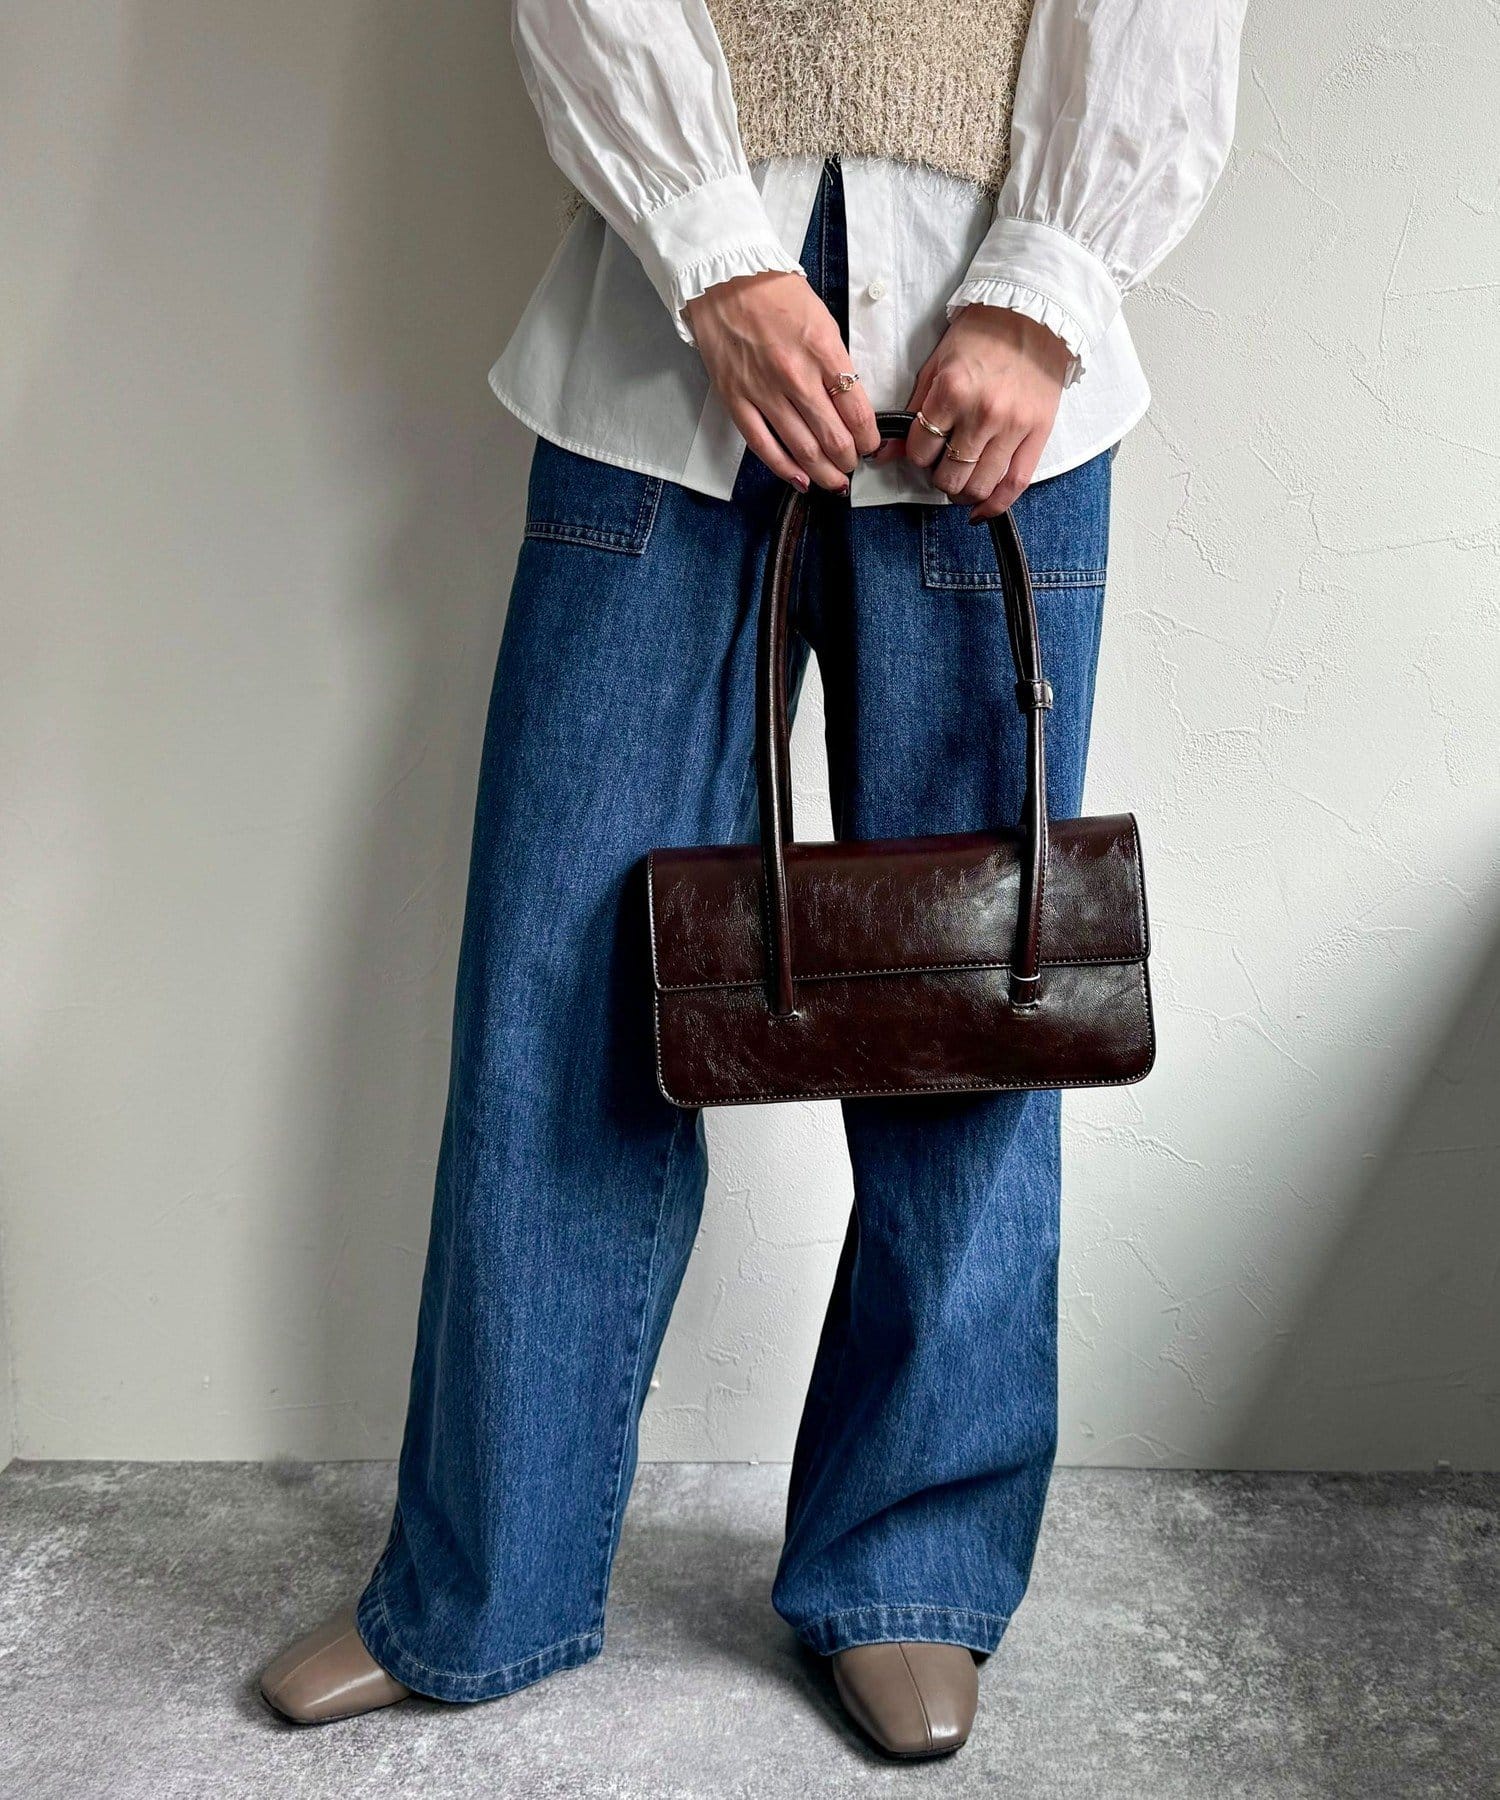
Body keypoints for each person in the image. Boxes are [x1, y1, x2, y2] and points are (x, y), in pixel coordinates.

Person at [261, 0, 1243, 1759]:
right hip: (662, 337)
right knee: (567, 986)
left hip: (998, 368)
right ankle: (484, 1580)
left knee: (974, 997)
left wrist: (1049, 289)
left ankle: (913, 1567)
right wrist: (713, 254)